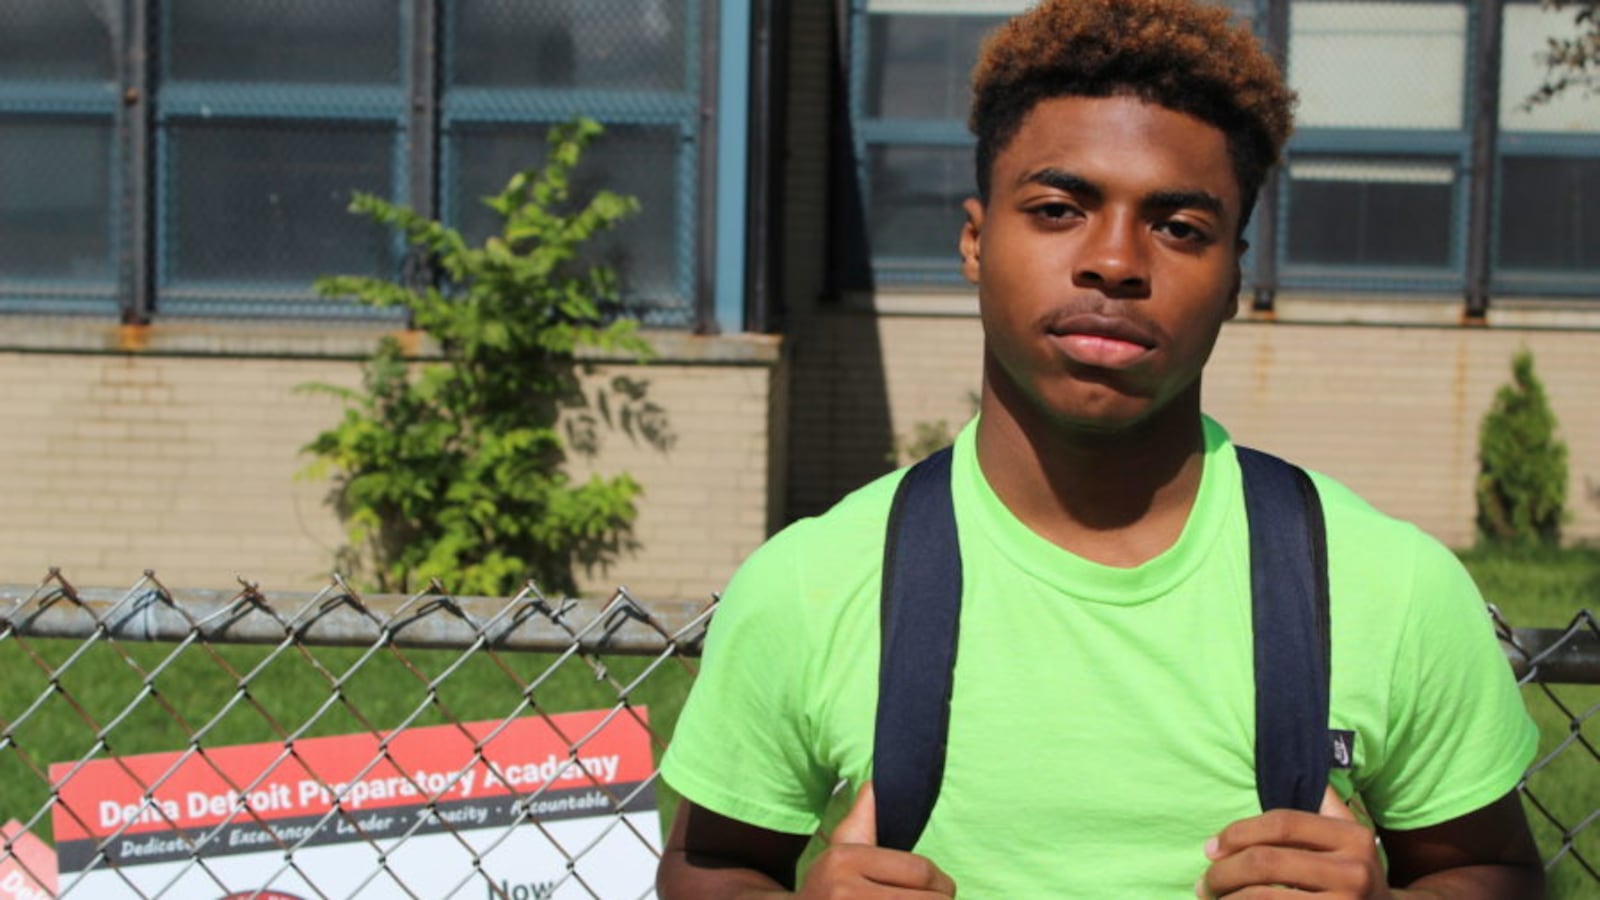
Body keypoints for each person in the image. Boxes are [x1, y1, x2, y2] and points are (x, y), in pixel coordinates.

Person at [656, 0, 1544, 895]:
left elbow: (1491, 870)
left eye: (1179, 228)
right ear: (974, 240)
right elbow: (710, 865)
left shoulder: (1388, 587)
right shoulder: (812, 585)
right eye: (1057, 209)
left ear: (1235, 272)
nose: (1115, 261)